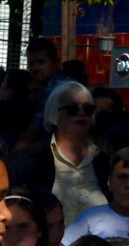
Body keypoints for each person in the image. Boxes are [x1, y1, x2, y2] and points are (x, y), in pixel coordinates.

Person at [10, 81, 103, 224]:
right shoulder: (26, 160)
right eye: (72, 109)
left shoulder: (104, 161)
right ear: (54, 115)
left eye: (88, 108)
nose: (81, 113)